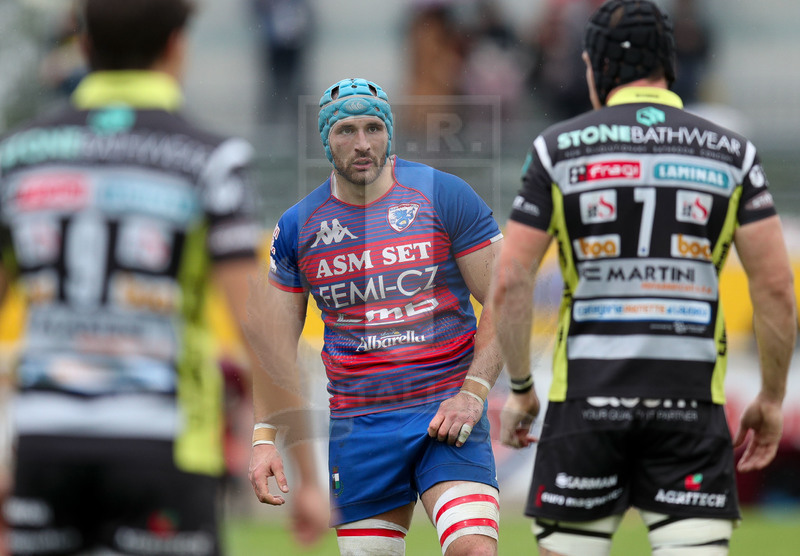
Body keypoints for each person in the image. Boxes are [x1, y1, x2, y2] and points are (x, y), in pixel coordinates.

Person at [0, 1, 327, 554]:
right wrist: (308, 478)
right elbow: (260, 330)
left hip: (44, 442)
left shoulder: (19, 156)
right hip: (161, 444)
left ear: (82, 45)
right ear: (177, 44)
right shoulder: (209, 159)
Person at [490, 1, 797, 555]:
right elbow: (775, 286)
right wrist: (772, 399)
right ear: (670, 66)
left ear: (596, 68)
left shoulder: (556, 149)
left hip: (586, 398)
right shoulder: (732, 153)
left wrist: (520, 390)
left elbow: (511, 280)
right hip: (689, 400)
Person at [248, 77, 505, 556]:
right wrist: (264, 438)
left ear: (390, 132)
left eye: (373, 128)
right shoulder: (297, 227)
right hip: (360, 425)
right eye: (346, 130)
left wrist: (473, 393)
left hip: (445, 412)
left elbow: (506, 298)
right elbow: (274, 346)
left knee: (474, 549)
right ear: (325, 139)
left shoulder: (445, 195)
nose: (362, 144)